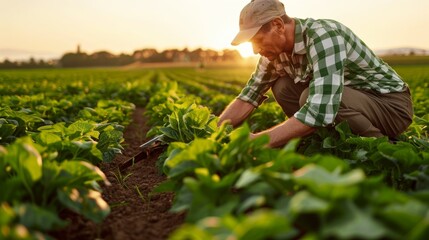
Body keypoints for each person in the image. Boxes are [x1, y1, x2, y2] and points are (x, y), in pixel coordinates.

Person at [218, 0, 413, 148]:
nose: (254, 50)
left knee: (309, 98)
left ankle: (379, 145)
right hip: (356, 101)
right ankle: (322, 141)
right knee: (283, 87)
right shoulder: (273, 53)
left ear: (278, 25)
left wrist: (259, 141)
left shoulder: (324, 36)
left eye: (257, 40)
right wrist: (215, 132)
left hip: (390, 107)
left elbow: (319, 110)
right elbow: (249, 96)